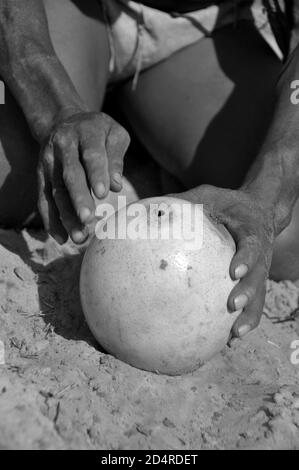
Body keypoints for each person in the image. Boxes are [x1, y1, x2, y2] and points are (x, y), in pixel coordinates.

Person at [0, 0, 299, 340]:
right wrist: (54, 108)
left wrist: (268, 195)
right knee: (11, 179)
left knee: (286, 237)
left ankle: (135, 130)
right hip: (63, 10)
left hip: (199, 30)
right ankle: (89, 97)